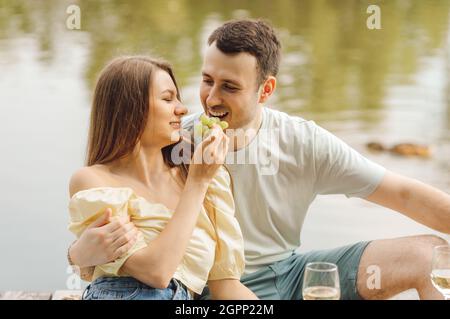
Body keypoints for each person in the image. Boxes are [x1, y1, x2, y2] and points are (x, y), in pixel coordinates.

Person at [70, 19, 450, 300]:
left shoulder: (303, 141)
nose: (209, 99)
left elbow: (404, 194)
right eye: (206, 80)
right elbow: (113, 199)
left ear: (265, 89)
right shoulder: (173, 140)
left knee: (431, 255)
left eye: (229, 87)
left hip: (290, 273)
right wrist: (78, 255)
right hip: (207, 292)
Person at [67, 55, 258, 300]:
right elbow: (156, 272)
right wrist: (197, 184)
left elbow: (226, 287)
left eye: (177, 98)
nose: (182, 108)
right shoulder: (94, 182)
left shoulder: (203, 173)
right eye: (168, 99)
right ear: (129, 109)